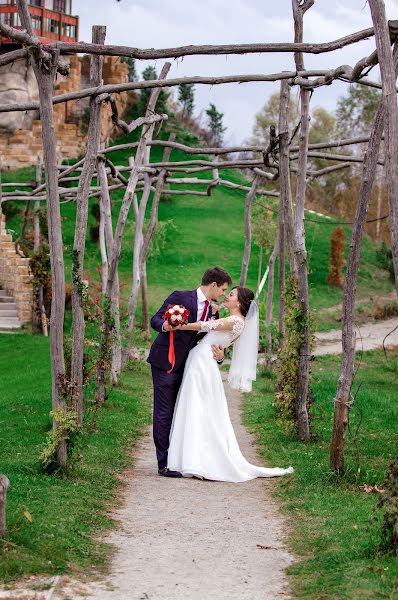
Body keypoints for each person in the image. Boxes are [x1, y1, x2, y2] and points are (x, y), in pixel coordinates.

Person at [167, 286, 294, 482]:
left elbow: (204, 327)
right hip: (202, 363)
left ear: (240, 303)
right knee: (197, 408)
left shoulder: (235, 321)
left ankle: (195, 459)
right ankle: (190, 457)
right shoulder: (234, 321)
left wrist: (178, 325)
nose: (227, 296)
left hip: (202, 365)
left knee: (197, 408)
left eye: (232, 294)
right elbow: (215, 336)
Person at [147, 267, 232, 477]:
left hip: (190, 370)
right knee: (164, 413)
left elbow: (207, 344)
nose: (223, 294)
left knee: (183, 413)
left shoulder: (215, 313)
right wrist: (166, 326)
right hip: (166, 363)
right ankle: (164, 463)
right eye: (222, 289)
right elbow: (155, 320)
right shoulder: (180, 297)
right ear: (212, 285)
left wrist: (220, 358)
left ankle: (179, 459)